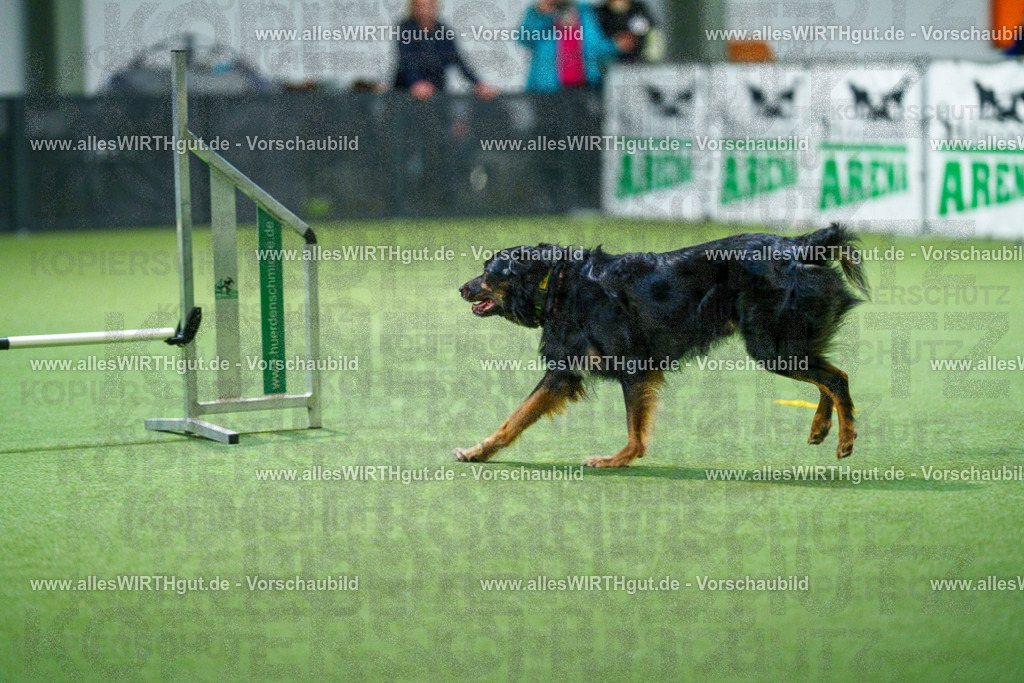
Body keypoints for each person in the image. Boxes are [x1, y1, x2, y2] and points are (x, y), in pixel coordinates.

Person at [519, 0, 636, 92]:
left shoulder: (585, 11)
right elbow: (524, 39)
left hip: (585, 87)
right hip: (547, 88)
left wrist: (616, 46)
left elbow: (596, 47)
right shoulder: (537, 13)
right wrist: (540, 14)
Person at [393, 0, 498, 100]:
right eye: (421, 6)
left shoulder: (443, 31)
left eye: (429, 6)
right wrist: (416, 82)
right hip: (407, 91)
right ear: (413, 8)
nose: (425, 10)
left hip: (436, 90)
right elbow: (408, 59)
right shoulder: (405, 28)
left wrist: (478, 83)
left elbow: (457, 59)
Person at [595, 0, 664, 64]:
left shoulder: (639, 8)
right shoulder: (599, 13)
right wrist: (613, 45)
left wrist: (650, 56)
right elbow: (594, 45)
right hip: (610, 63)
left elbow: (653, 33)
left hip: (641, 63)